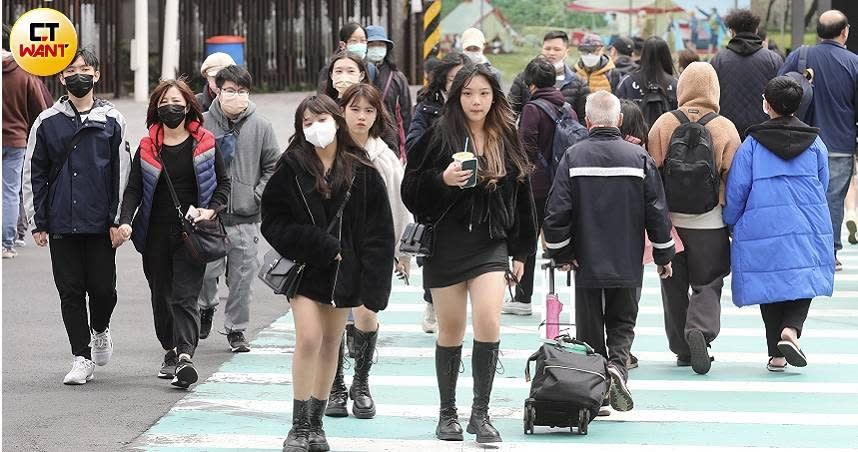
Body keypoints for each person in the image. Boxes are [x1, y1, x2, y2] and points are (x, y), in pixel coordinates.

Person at [402, 64, 537, 444]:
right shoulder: (438, 137)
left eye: (483, 93)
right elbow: (410, 190)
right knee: (451, 329)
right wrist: (441, 181)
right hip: (446, 243)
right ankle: (448, 413)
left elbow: (523, 197)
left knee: (489, 321)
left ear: (494, 96)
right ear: (456, 96)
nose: (476, 101)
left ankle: (481, 412)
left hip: (490, 242)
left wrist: (522, 250)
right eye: (468, 93)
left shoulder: (506, 136)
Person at [261, 94, 394, 452]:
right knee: (308, 338)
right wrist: (314, 242)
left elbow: (379, 232)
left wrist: (375, 286)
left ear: (336, 121)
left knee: (331, 343)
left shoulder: (362, 170)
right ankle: (298, 425)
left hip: (345, 274)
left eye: (321, 120)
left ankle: (316, 424)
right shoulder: (291, 167)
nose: (315, 128)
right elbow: (272, 221)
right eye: (307, 122)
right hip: (306, 268)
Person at [543, 91, 675, 412]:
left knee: (590, 326)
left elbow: (556, 213)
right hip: (627, 257)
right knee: (623, 320)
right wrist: (663, 255)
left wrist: (562, 253)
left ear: (587, 121)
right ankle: (617, 365)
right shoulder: (638, 157)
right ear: (618, 120)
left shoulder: (574, 156)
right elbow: (656, 210)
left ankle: (597, 389)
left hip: (585, 258)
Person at [22, 48, 130, 384]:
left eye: (85, 69)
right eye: (71, 71)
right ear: (61, 76)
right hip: (61, 222)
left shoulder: (113, 120)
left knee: (102, 290)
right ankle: (81, 357)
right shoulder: (47, 121)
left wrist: (118, 219)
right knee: (69, 291)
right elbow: (33, 172)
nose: (77, 75)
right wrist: (38, 221)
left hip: (101, 223)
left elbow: (122, 173)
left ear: (97, 75)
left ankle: (100, 328)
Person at [116, 79, 231, 388]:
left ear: (188, 107)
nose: (172, 108)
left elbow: (223, 183)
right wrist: (125, 221)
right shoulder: (147, 147)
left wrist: (212, 210)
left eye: (178, 102)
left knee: (184, 297)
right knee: (161, 297)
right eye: (165, 102)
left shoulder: (205, 142)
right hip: (154, 235)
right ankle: (169, 347)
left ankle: (184, 356)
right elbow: (134, 190)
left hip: (191, 234)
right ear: (157, 108)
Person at [723, 76, 835, 372]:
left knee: (768, 281)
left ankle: (777, 354)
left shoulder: (752, 145)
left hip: (762, 222)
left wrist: (731, 222)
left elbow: (737, 190)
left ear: (767, 105)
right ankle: (792, 329)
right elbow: (823, 183)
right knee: (806, 274)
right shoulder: (814, 142)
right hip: (807, 220)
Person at [325, 83, 413, 419]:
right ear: (342, 110)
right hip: (331, 249)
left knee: (366, 316)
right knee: (332, 321)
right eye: (355, 109)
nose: (361, 117)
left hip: (372, 248)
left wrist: (401, 251)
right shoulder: (327, 149)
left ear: (377, 115)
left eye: (369, 111)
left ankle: (360, 383)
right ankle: (335, 387)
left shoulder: (384, 157)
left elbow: (399, 206)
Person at [647, 62, 740, 375]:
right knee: (709, 282)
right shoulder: (725, 127)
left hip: (670, 224)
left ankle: (682, 350)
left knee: (672, 286)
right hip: (710, 223)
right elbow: (734, 178)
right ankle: (700, 329)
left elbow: (652, 174)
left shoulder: (663, 124)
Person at [196, 65, 280, 351]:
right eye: (231, 90)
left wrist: (257, 195)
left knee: (243, 277)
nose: (237, 96)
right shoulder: (202, 124)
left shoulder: (261, 126)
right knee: (207, 272)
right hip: (209, 217)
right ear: (217, 91)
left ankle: (236, 329)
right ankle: (205, 306)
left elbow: (273, 167)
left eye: (242, 91)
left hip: (246, 216)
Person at [779, 10, 858, 272]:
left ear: (818, 31)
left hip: (799, 142)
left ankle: (800, 249)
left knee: (800, 198)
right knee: (833, 199)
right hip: (839, 145)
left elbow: (777, 92)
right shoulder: (854, 63)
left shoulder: (799, 56)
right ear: (844, 31)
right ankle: (830, 252)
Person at [407, 51, 471, 333]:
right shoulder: (427, 108)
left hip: (469, 186)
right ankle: (431, 301)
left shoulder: (476, 107)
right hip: (435, 184)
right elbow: (413, 144)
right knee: (432, 248)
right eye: (453, 79)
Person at [502, 56, 564, 316]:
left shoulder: (532, 109)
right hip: (561, 183)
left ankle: (523, 297)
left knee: (527, 238)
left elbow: (525, 147)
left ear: (530, 84)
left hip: (536, 184)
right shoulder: (566, 107)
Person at [3, 24, 51, 259]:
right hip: (16, 140)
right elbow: (40, 111)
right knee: (11, 191)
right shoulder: (24, 72)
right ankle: (8, 242)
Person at [711, 9, 783, 140]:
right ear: (756, 31)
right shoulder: (774, 59)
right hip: (765, 133)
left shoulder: (718, 60)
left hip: (728, 133)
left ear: (732, 31)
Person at [509, 31, 589, 118]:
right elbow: (511, 112)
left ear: (567, 52)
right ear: (542, 49)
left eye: (557, 49)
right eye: (547, 49)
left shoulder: (579, 83)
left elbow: (583, 119)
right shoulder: (523, 78)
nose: (551, 53)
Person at [365, 25, 412, 160]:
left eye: (380, 44)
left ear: (387, 48)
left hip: (390, 141)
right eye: (372, 45)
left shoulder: (397, 77)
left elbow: (406, 115)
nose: (376, 48)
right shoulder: (356, 73)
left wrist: (406, 146)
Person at [615, 36, 678, 130]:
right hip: (667, 140)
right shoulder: (676, 84)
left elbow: (616, 113)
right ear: (667, 56)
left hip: (632, 139)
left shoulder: (628, 82)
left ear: (644, 54)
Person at [317, 23, 377, 94]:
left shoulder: (371, 69)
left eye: (363, 40)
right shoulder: (331, 68)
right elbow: (323, 98)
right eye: (354, 41)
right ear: (343, 45)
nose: (359, 44)